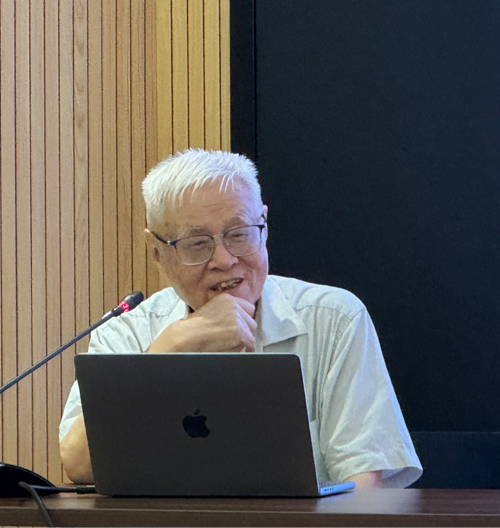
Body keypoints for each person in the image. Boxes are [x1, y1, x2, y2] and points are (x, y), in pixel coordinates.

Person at [59, 148, 422, 488]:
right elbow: (77, 464)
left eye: (239, 235)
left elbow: (366, 486)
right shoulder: (128, 333)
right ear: (157, 252)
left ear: (264, 226)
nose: (224, 259)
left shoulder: (333, 320)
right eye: (198, 243)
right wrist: (169, 350)